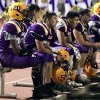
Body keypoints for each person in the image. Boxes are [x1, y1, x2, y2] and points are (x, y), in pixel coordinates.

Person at [0, 2, 46, 99]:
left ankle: (43, 87)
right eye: (25, 12)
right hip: (6, 56)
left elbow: (22, 44)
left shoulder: (21, 24)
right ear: (17, 12)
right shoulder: (10, 25)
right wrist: (26, 53)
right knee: (37, 61)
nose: (27, 14)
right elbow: (16, 49)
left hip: (13, 54)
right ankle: (37, 91)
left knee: (41, 57)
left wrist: (28, 51)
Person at [25, 11, 58, 99]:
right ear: (48, 19)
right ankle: (42, 86)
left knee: (50, 57)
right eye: (54, 18)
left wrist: (55, 54)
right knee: (46, 57)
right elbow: (40, 48)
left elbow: (46, 45)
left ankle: (47, 84)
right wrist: (53, 54)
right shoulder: (38, 27)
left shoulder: (50, 29)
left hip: (36, 49)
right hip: (28, 49)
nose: (57, 20)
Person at [73, 9, 100, 83]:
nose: (89, 17)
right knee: (83, 49)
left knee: (93, 49)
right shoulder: (78, 24)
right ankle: (77, 74)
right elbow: (80, 42)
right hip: (72, 43)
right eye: (87, 16)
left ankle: (89, 73)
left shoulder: (86, 25)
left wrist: (92, 46)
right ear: (81, 16)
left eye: (89, 15)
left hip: (77, 43)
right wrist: (95, 44)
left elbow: (86, 39)